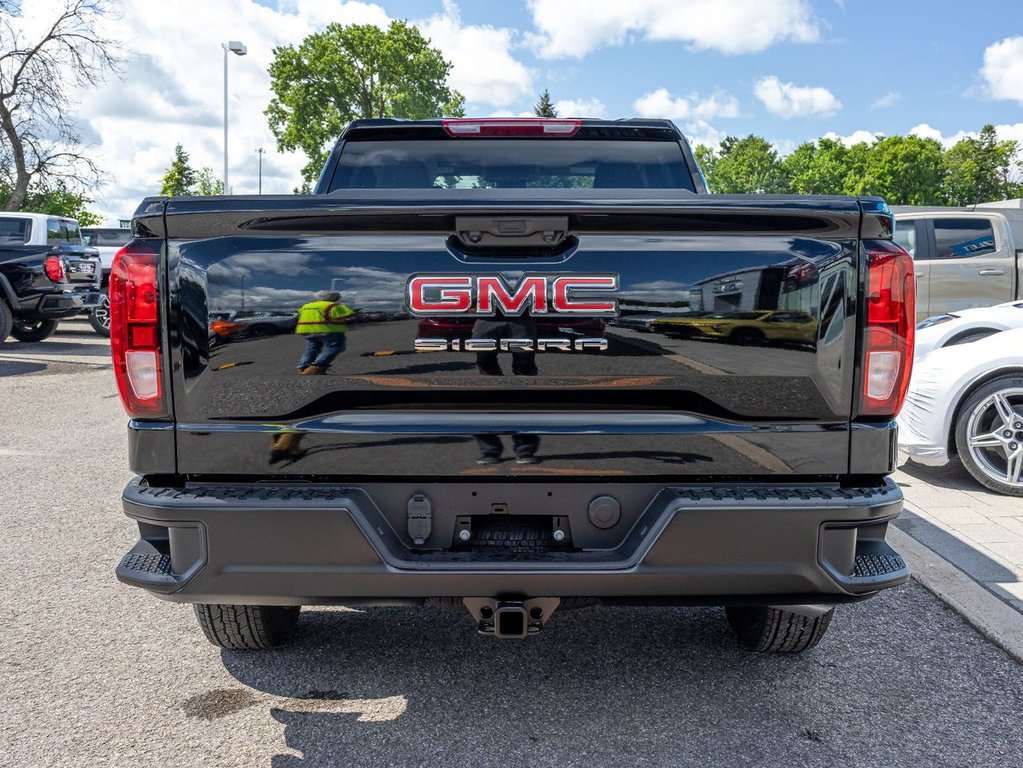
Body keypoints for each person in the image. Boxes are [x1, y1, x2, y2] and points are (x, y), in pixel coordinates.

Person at [295, 290, 354, 374]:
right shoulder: (334, 305)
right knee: (335, 347)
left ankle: (303, 367)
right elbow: (348, 315)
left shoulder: (306, 306)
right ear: (335, 298)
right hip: (327, 329)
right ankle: (316, 366)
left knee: (312, 348)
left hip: (306, 330)